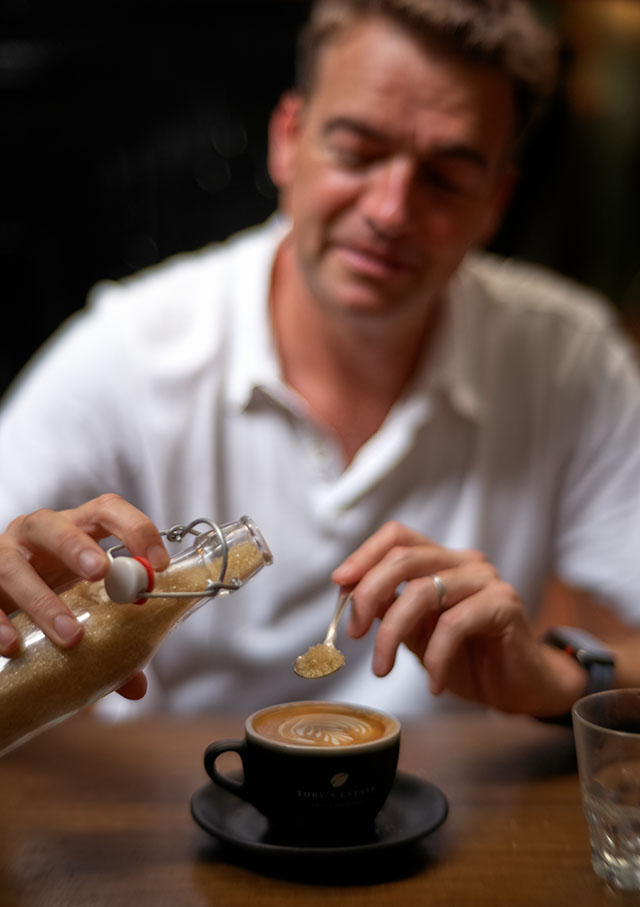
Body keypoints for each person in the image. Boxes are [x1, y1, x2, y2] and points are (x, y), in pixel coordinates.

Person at [1, 0, 639, 722]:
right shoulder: (128, 352)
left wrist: (560, 676)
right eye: (358, 151)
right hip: (165, 812)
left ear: (495, 201)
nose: (391, 210)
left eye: (445, 177)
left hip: (454, 810)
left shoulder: (571, 359)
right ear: (287, 139)